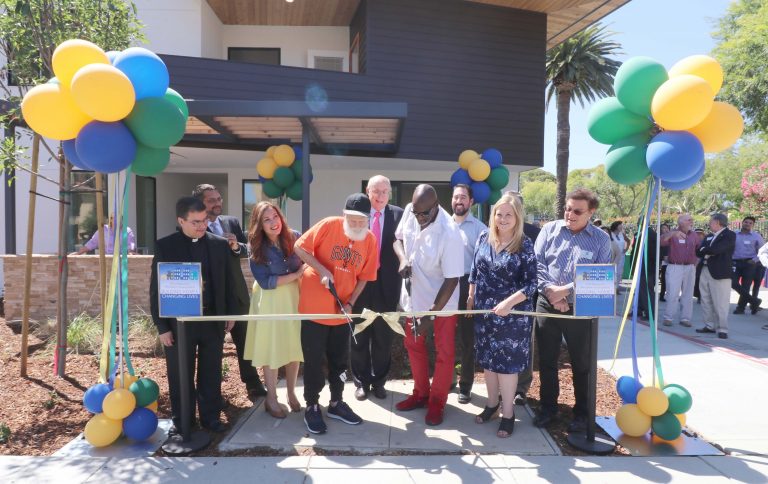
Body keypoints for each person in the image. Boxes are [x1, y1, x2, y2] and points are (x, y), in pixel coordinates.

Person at [149, 197, 242, 433]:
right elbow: (156, 289)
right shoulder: (165, 246)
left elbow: (229, 283)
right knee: (180, 374)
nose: (202, 226)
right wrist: (162, 327)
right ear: (181, 221)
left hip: (212, 321)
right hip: (179, 324)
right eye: (195, 222)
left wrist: (229, 314)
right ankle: (183, 422)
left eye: (204, 221)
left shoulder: (219, 244)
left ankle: (211, 419)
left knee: (211, 372)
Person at [294, 193, 378, 434]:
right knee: (313, 361)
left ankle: (336, 402)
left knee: (340, 361)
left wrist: (351, 302)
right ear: (344, 215)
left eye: (362, 220)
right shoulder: (328, 225)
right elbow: (299, 248)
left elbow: (365, 277)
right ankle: (312, 405)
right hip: (313, 309)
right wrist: (321, 270)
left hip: (341, 310)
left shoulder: (369, 240)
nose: (357, 224)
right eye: (353, 219)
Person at [532, 188, 612, 432]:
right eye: (567, 208)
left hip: (582, 308)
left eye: (577, 211)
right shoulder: (549, 230)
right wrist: (551, 293)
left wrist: (565, 291)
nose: (570, 214)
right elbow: (536, 264)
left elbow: (602, 276)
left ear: (591, 212)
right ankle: (548, 409)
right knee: (546, 360)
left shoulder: (600, 239)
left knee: (582, 364)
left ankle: (582, 414)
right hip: (547, 303)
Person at [394, 184, 464, 426]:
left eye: (425, 213)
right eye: (417, 213)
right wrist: (403, 258)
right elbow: (398, 240)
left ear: (436, 207)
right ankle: (421, 394)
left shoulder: (451, 232)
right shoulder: (411, 211)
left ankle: (437, 402)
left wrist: (431, 316)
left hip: (442, 302)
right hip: (414, 298)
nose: (420, 218)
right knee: (413, 344)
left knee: (444, 353)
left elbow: (453, 279)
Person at [468, 193, 536, 438]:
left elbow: (531, 285)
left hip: (512, 317)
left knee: (507, 367)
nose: (503, 219)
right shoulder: (483, 237)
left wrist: (508, 302)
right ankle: (491, 405)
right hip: (485, 314)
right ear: (493, 215)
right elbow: (475, 271)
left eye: (509, 214)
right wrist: (471, 295)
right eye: (499, 213)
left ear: (517, 217)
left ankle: (508, 414)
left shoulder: (524, 244)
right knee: (488, 363)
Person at [192, 184, 266, 399]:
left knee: (245, 342)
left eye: (219, 199)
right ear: (200, 204)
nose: (217, 203)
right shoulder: (194, 227)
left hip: (237, 293)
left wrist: (235, 247)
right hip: (212, 298)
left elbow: (247, 249)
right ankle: (213, 395)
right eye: (211, 200)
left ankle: (253, 383)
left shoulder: (230, 222)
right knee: (213, 349)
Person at [244, 202, 305, 418]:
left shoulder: (294, 236)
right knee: (271, 346)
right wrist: (296, 276)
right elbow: (265, 281)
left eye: (275, 217)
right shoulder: (255, 244)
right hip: (269, 299)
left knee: (292, 344)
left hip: (293, 296)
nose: (273, 223)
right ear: (259, 224)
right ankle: (271, 398)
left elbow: (308, 260)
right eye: (267, 220)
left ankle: (291, 392)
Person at [351, 176, 404, 401]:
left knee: (383, 338)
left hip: (387, 287)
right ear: (367, 191)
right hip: (360, 286)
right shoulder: (358, 215)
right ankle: (361, 383)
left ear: (390, 193)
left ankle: (379, 381)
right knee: (359, 336)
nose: (381, 196)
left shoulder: (400, 215)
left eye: (385, 191)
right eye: (376, 191)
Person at [451, 184, 487, 405]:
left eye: (463, 197)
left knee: (466, 340)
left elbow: (482, 266)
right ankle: (445, 381)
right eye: (456, 197)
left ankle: (465, 386)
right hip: (444, 284)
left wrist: (473, 294)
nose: (459, 201)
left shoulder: (481, 229)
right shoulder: (443, 224)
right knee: (443, 338)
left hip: (467, 286)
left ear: (471, 202)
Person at [505, 190, 541, 406]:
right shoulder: (495, 231)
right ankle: (503, 385)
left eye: (515, 206)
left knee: (525, 344)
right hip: (499, 300)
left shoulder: (534, 233)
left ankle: (521, 388)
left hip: (525, 300)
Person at [696, 213, 736, 339]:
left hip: (720, 273)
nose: (709, 223)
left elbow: (717, 250)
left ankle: (722, 329)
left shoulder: (729, 235)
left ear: (718, 222)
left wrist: (705, 250)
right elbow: (698, 251)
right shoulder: (708, 236)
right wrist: (706, 250)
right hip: (705, 270)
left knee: (720, 302)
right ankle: (709, 326)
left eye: (711, 221)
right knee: (705, 300)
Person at [660, 214, 701, 327]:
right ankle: (668, 317)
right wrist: (672, 234)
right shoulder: (673, 233)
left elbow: (699, 249)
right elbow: (661, 242)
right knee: (672, 293)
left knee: (688, 294)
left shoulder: (694, 235)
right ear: (681, 222)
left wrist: (695, 263)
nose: (691, 221)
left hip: (690, 267)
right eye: (689, 220)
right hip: (675, 267)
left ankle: (685, 318)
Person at [731, 216, 764, 315]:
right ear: (742, 222)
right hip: (735, 263)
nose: (747, 224)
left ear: (752, 225)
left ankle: (740, 308)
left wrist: (754, 260)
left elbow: (763, 251)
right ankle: (754, 300)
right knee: (733, 283)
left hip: (750, 264)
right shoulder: (734, 234)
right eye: (746, 222)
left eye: (750, 223)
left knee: (746, 286)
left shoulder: (756, 236)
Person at [72, 214, 137, 255]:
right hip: (106, 260)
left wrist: (131, 253)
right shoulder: (103, 230)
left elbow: (130, 247)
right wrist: (78, 253)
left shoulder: (127, 231)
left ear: (121, 220)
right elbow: (92, 243)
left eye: (117, 219)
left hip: (121, 261)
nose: (114, 222)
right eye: (112, 219)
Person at [608, 221, 628, 291]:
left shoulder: (621, 234)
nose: (622, 227)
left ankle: (616, 287)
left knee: (619, 272)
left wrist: (626, 249)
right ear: (616, 226)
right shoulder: (610, 233)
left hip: (621, 256)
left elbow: (628, 241)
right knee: (613, 271)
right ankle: (611, 288)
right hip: (613, 256)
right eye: (620, 225)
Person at [659, 223, 671, 302]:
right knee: (663, 279)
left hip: (671, 261)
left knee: (669, 280)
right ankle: (662, 295)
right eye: (663, 228)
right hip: (662, 261)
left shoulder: (671, 238)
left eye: (667, 228)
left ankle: (667, 295)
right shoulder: (659, 238)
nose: (665, 229)